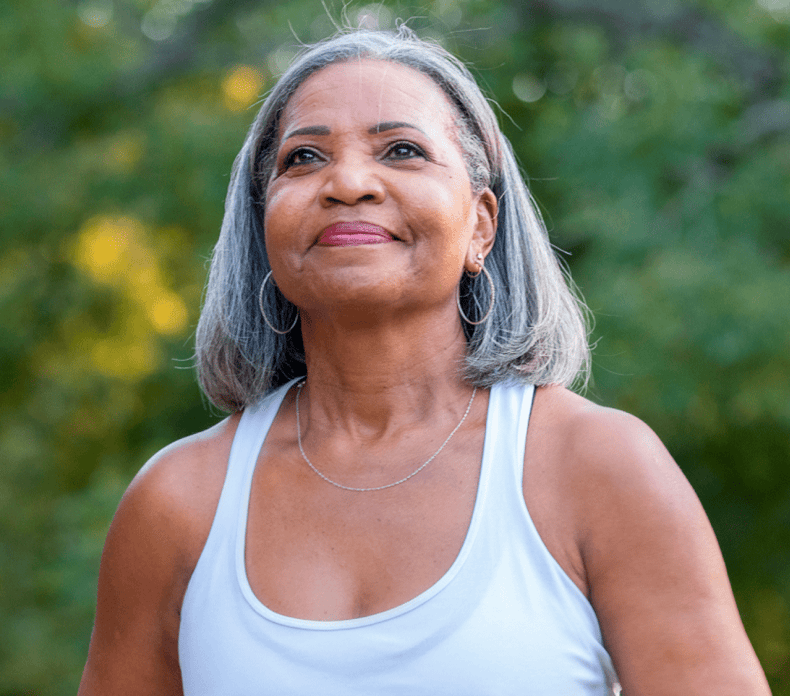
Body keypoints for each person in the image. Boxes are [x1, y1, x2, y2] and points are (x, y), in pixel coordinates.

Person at [78, 27, 771, 696]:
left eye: (402, 150)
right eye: (303, 159)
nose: (348, 181)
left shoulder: (595, 467)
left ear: (481, 224)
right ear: (262, 226)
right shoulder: (178, 502)